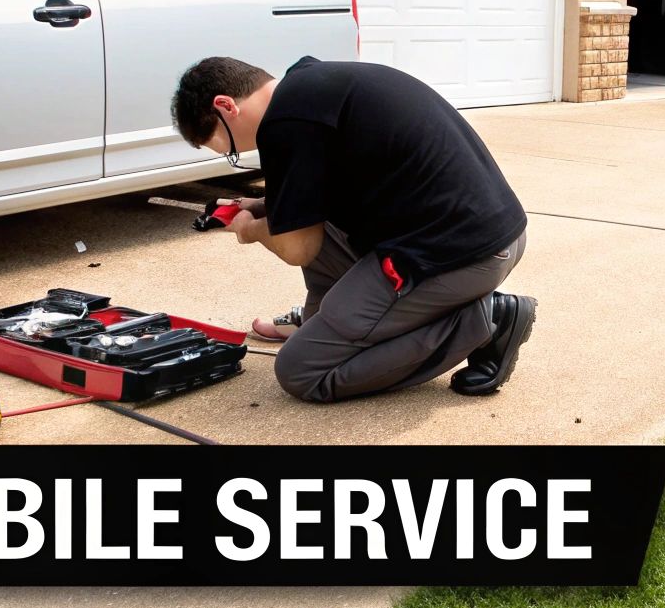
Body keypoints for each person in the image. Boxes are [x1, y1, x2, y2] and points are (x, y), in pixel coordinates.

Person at [170, 56, 537, 401]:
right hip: (488, 235)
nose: (234, 155)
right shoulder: (310, 89)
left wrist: (250, 229)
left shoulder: (284, 126)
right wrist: (265, 207)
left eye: (227, 149)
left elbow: (299, 248)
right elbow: (319, 196)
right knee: (305, 222)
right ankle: (330, 326)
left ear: (226, 106)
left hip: (463, 257)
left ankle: (486, 320)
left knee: (302, 370)